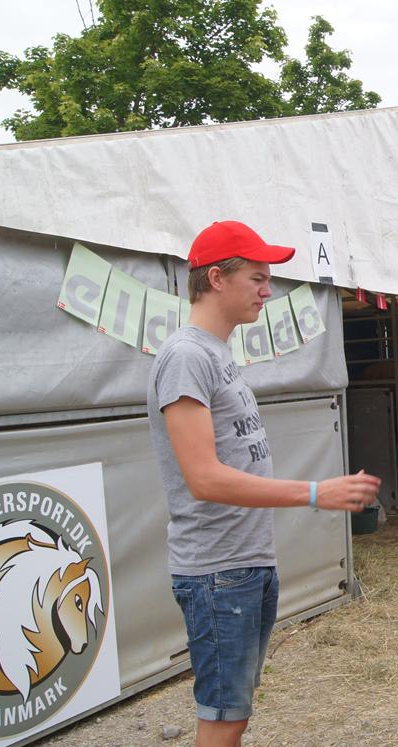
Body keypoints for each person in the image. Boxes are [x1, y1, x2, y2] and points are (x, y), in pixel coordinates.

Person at [147, 220, 381, 747]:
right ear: (216, 279)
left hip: (245, 561)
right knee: (224, 716)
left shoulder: (216, 353)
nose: (266, 290)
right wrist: (316, 493)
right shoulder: (186, 357)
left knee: (235, 710)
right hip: (217, 570)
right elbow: (203, 478)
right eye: (256, 277)